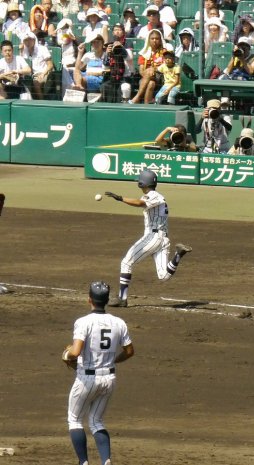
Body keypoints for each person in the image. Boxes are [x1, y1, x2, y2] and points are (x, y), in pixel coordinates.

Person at [64, 281, 134, 465]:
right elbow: (129, 352)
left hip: (87, 379)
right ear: (107, 300)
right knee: (96, 421)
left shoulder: (83, 322)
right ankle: (106, 461)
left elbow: (76, 351)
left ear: (89, 300)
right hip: (109, 378)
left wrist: (67, 352)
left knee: (75, 420)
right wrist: (114, 360)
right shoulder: (119, 323)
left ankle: (84, 462)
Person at [104, 169, 192, 307]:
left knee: (126, 262)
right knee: (163, 276)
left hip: (154, 237)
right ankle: (178, 254)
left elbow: (140, 203)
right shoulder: (155, 196)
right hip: (162, 239)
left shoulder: (154, 195)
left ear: (143, 183)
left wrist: (121, 198)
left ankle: (122, 298)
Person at [130, 29, 171, 104]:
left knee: (150, 71)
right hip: (146, 79)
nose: (154, 40)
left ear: (160, 40)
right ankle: (147, 104)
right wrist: (149, 74)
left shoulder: (165, 52)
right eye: (152, 38)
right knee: (151, 83)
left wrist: (154, 69)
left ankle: (137, 97)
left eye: (157, 38)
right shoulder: (144, 53)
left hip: (162, 77)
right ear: (149, 40)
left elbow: (167, 67)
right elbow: (141, 71)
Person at [100, 34, 133, 103]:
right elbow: (105, 66)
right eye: (112, 44)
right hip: (111, 78)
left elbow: (128, 58)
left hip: (124, 78)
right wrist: (107, 54)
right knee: (104, 86)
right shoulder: (107, 53)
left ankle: (125, 104)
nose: (114, 46)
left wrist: (120, 48)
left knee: (125, 87)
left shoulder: (127, 51)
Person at [20, 30, 52, 99]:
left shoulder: (42, 49)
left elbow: (50, 65)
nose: (28, 42)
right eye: (26, 40)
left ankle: (42, 101)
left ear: (34, 40)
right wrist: (21, 51)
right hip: (30, 75)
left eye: (30, 40)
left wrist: (43, 74)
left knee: (36, 82)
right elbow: (22, 66)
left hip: (44, 73)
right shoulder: (24, 52)